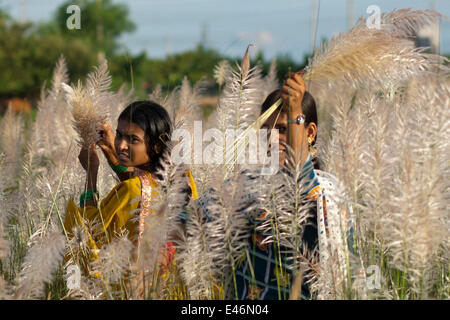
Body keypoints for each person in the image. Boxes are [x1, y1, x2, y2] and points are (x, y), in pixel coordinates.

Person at [64, 100, 198, 283]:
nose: (121, 145)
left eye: (133, 139)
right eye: (119, 135)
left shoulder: (129, 190)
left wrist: (91, 172)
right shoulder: (184, 178)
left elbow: (87, 237)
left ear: (157, 146)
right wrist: (111, 152)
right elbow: (143, 192)